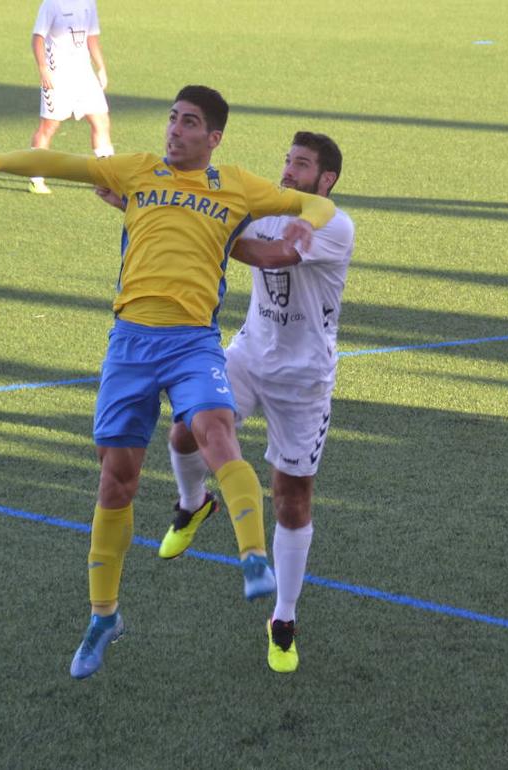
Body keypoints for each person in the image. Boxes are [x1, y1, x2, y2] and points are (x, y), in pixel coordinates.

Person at [0, 85, 337, 679]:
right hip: (129, 344)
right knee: (116, 481)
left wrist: (306, 227)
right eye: (172, 119)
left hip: (193, 340)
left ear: (213, 137)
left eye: (189, 122)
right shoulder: (138, 172)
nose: (175, 130)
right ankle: (104, 617)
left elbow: (314, 207)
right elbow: (64, 163)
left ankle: (254, 558)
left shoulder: (235, 185)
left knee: (216, 432)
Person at [100, 132, 353, 674]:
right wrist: (145, 206)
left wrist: (194, 226)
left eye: (301, 166)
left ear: (325, 179)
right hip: (246, 355)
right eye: (287, 160)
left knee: (291, 498)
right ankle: (194, 504)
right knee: (186, 429)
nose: (288, 172)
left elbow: (265, 254)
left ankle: (282, 618)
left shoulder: (331, 225)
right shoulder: (266, 203)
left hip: (304, 383)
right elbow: (215, 220)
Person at [28, 0, 113, 194]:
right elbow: (38, 38)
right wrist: (43, 69)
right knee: (49, 127)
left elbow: (92, 38)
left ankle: (107, 175)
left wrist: (100, 67)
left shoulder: (89, 3)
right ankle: (35, 177)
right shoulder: (51, 4)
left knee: (100, 121)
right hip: (57, 76)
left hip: (84, 75)